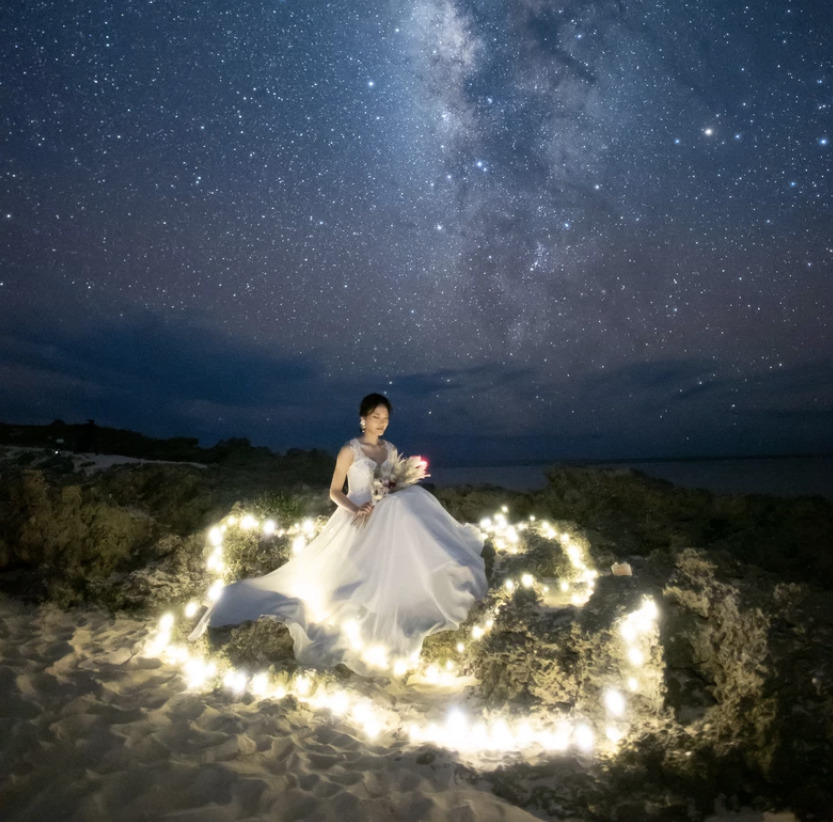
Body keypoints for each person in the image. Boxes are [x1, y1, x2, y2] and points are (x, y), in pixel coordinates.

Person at [189, 393, 488, 676]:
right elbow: (334, 492)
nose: (381, 422)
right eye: (375, 416)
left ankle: (442, 564)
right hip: (358, 508)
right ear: (363, 418)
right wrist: (355, 509)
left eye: (385, 417)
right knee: (397, 510)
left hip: (386, 507)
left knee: (410, 500)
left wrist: (391, 490)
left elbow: (394, 483)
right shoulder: (350, 450)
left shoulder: (391, 449)